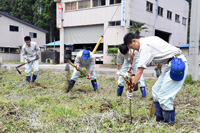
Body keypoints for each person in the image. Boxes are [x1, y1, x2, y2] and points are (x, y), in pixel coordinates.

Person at [124, 33, 188, 125]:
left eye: (132, 47)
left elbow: (139, 71)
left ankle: (168, 123)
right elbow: (163, 52)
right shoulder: (151, 39)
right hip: (170, 63)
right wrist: (158, 67)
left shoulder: (145, 46)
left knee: (165, 96)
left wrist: (130, 88)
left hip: (177, 64)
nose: (134, 50)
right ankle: (158, 119)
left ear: (134, 41)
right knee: (156, 90)